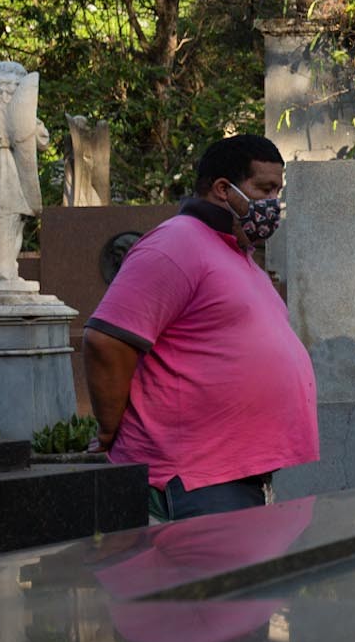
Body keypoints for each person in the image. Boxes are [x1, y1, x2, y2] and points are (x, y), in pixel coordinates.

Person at [81, 134, 317, 520]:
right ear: (223, 189)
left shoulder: (236, 253)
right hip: (192, 478)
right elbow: (106, 340)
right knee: (210, 582)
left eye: (278, 191)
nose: (274, 204)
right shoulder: (174, 245)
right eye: (265, 189)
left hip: (235, 474)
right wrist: (109, 428)